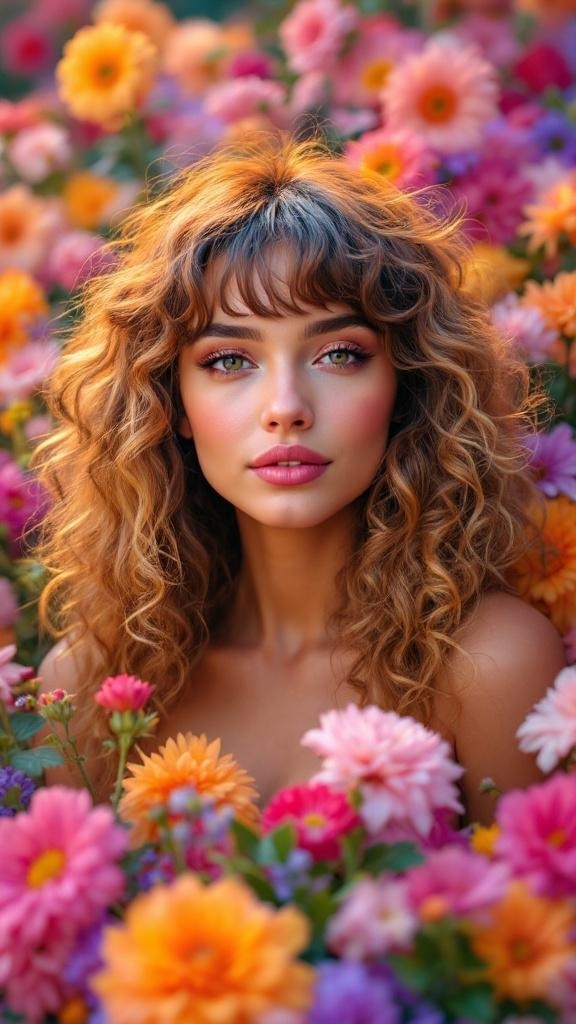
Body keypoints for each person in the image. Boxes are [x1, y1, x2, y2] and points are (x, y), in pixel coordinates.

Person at [35, 133, 565, 823]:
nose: (285, 407)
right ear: (172, 403)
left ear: (407, 384)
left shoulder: (489, 665)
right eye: (229, 360)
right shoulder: (88, 687)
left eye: (339, 354)